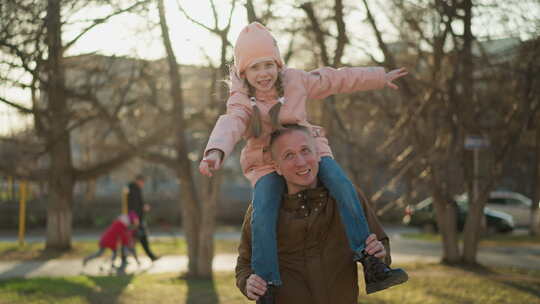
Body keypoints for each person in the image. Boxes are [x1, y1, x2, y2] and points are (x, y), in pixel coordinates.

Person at [200, 22, 408, 297]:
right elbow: (231, 124)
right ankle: (268, 283)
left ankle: (368, 259)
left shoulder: (295, 80)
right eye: (254, 67)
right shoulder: (241, 101)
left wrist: (378, 77)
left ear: (278, 63)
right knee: (262, 211)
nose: (263, 74)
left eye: (268, 65)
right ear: (243, 72)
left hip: (308, 149)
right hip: (265, 163)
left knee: (341, 184)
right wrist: (215, 151)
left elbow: (335, 79)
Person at [235, 125, 407, 303]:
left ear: (318, 154)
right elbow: (244, 264)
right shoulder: (262, 213)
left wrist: (380, 253)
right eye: (289, 155)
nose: (301, 162)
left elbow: (381, 243)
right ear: (277, 167)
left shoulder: (348, 198)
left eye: (305, 150)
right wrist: (248, 282)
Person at [127, 174, 158, 261]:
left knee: (139, 237)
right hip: (136, 219)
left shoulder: (135, 189)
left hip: (138, 218)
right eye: (142, 182)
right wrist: (136, 216)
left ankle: (151, 256)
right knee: (138, 237)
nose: (143, 184)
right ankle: (150, 256)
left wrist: (143, 207)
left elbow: (137, 204)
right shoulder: (133, 190)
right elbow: (133, 205)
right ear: (138, 181)